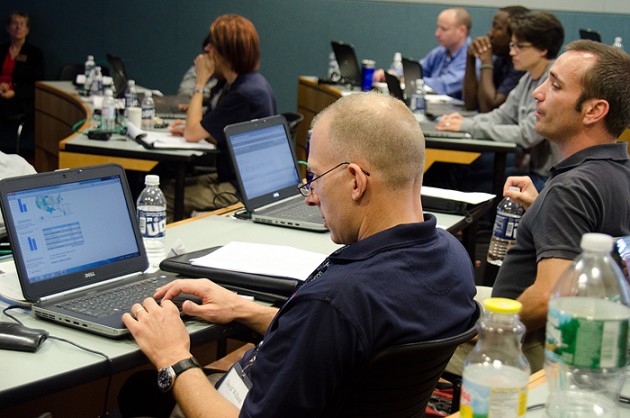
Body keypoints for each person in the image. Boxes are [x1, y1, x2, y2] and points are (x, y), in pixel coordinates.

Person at [120, 92, 477, 417]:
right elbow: (339, 344)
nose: (310, 196)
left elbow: (332, 323)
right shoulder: (453, 257)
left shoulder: (336, 301)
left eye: (315, 177)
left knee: (137, 394)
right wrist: (246, 309)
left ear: (355, 180)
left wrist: (173, 357)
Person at [490, 40, 630, 372]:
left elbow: (549, 295)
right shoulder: (615, 171)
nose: (538, 94)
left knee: (413, 329)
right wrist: (540, 210)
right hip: (594, 350)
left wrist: (488, 329)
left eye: (554, 85)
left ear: (594, 110)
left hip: (527, 348)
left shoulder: (571, 188)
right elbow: (594, 238)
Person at [432, 11, 564, 192]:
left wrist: (469, 127)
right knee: (449, 170)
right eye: (512, 45)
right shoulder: (528, 78)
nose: (512, 52)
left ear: (542, 49)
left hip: (546, 178)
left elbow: (526, 135)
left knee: (470, 183)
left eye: (519, 46)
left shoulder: (553, 84)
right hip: (528, 167)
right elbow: (503, 115)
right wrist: (463, 123)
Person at [166, 14, 276, 217]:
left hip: (241, 190)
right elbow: (216, 131)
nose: (206, 49)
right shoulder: (245, 83)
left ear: (227, 52)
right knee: (170, 184)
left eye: (213, 45)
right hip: (238, 180)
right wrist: (195, 129)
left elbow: (192, 134)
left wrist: (200, 82)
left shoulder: (245, 93)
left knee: (165, 197)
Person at [374, 7, 471, 99]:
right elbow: (416, 70)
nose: (437, 34)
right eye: (438, 28)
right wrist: (392, 74)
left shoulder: (472, 57)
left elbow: (444, 85)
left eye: (444, 29)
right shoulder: (440, 52)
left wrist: (402, 79)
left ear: (462, 31)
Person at [462, 5, 528, 113]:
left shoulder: (521, 65)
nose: (490, 33)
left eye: (498, 28)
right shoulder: (502, 60)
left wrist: (486, 61)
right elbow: (471, 104)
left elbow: (489, 107)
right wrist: (470, 58)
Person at [0, 11, 44, 161]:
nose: (18, 27)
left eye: (22, 24)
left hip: (21, 100)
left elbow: (37, 84)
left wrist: (15, 92)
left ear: (27, 29)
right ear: (7, 28)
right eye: (14, 23)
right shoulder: (1, 50)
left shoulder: (35, 54)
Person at [176, 33, 224, 110]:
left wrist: (200, 85)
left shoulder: (236, 87)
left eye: (212, 44)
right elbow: (185, 93)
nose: (206, 48)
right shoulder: (203, 64)